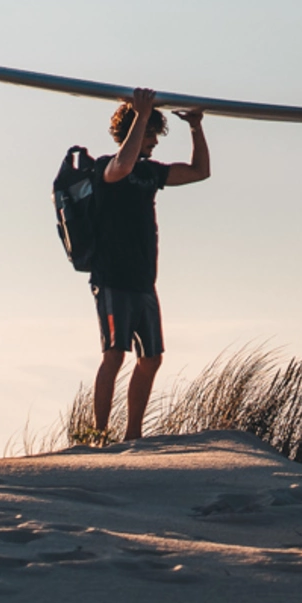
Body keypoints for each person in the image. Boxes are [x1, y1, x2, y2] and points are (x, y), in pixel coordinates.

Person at [89, 87, 209, 441]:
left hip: (144, 281)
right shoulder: (106, 168)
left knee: (152, 358)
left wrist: (196, 126)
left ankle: (133, 436)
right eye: (151, 134)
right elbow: (122, 166)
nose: (154, 142)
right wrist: (141, 114)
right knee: (114, 354)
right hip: (112, 278)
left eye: (155, 134)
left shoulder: (151, 173)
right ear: (134, 131)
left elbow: (200, 171)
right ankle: (97, 435)